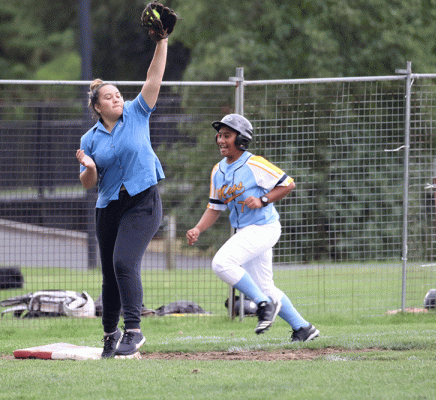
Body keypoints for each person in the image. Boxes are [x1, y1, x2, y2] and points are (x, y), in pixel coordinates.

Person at [186, 114, 319, 342]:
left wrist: (263, 200)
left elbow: (288, 184)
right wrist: (198, 229)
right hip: (246, 231)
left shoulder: (254, 163)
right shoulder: (218, 171)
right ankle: (303, 328)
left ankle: (263, 305)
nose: (220, 140)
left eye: (227, 135)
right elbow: (215, 207)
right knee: (265, 286)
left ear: (241, 139)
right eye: (219, 135)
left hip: (263, 228)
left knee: (222, 263)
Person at [76, 37, 168, 358]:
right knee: (109, 274)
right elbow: (89, 183)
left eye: (118, 94)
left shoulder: (137, 112)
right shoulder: (89, 138)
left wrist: (161, 40)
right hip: (108, 208)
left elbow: (154, 77)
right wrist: (88, 165)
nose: (116, 98)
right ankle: (109, 336)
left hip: (142, 202)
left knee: (123, 261)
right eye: (108, 97)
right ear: (97, 107)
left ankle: (134, 331)